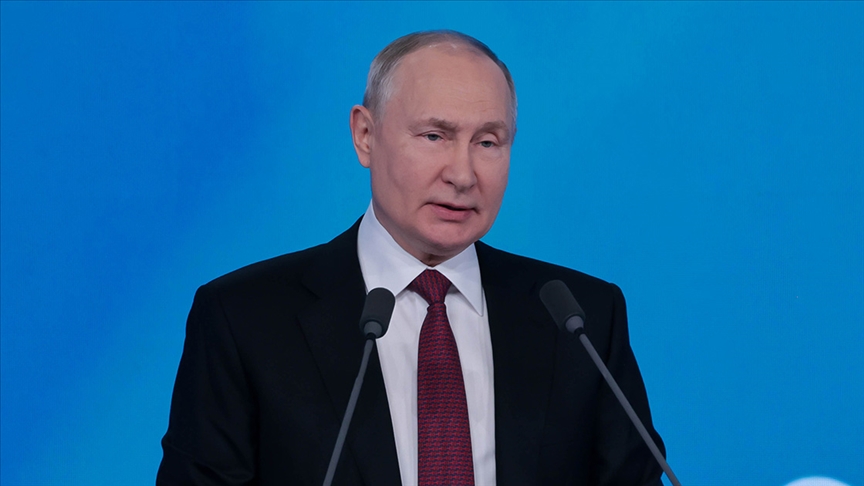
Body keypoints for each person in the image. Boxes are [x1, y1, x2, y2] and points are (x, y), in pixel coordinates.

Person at [157, 30, 665, 486]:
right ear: (365, 136)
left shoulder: (581, 318)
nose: (462, 174)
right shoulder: (244, 318)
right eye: (434, 136)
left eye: (488, 142)